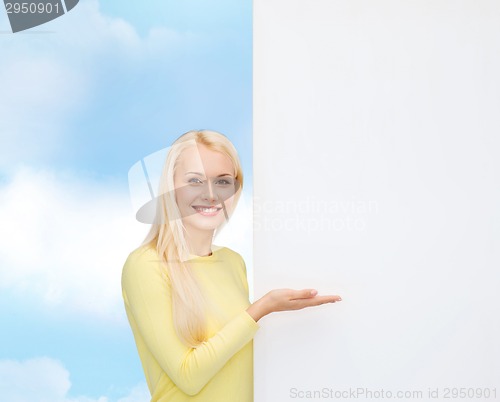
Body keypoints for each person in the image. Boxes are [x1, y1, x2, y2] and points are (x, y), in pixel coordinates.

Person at [121, 129, 342, 402]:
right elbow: (188, 376)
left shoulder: (233, 262)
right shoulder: (146, 265)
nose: (211, 194)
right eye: (195, 181)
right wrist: (261, 309)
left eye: (223, 182)